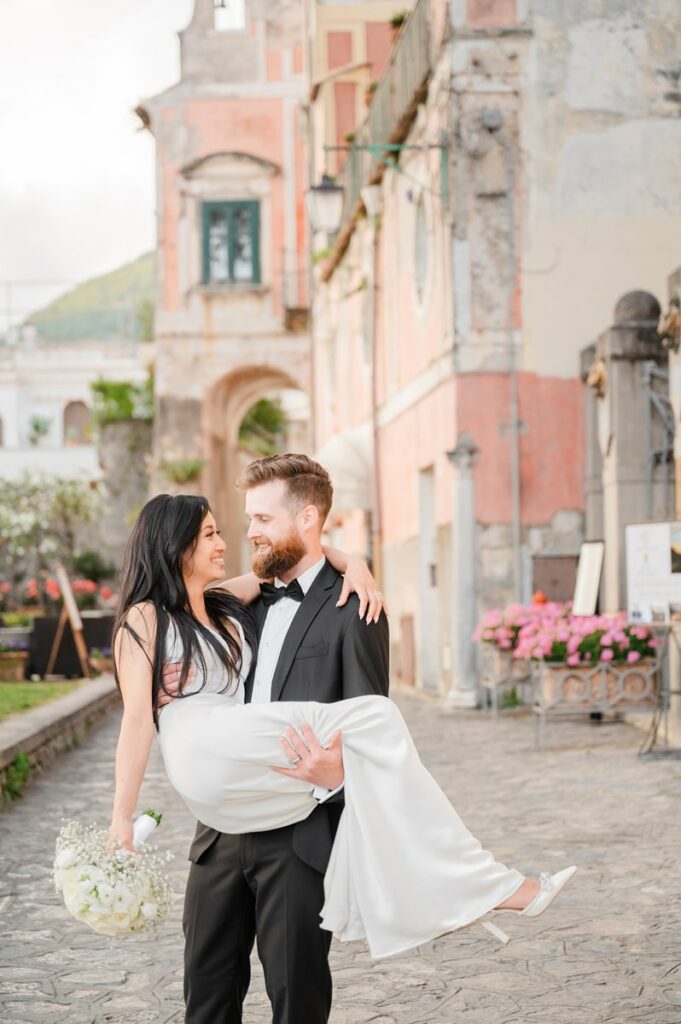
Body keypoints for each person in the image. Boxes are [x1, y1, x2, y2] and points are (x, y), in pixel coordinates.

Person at [109, 458, 576, 1024]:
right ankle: (488, 888)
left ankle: (477, 885)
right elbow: (140, 716)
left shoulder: (348, 608)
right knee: (205, 997)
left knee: (298, 999)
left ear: (306, 516)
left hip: (296, 833)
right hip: (220, 836)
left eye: (259, 517)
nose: (245, 532)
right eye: (224, 527)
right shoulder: (233, 606)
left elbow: (362, 707)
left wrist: (340, 777)